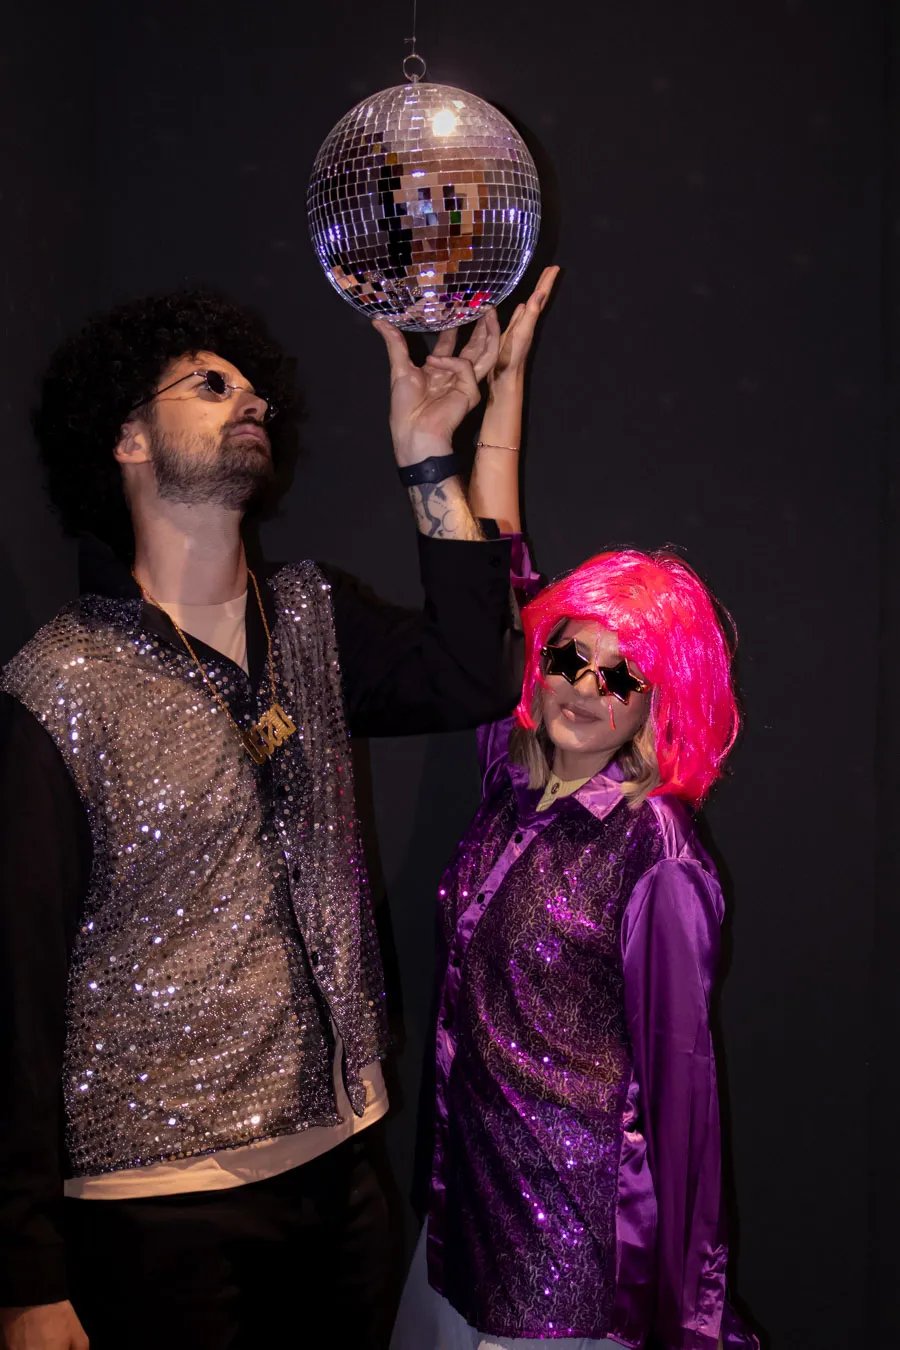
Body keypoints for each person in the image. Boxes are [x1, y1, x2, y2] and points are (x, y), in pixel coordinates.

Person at [0, 286, 529, 1349]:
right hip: (156, 1209)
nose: (250, 401)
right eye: (210, 383)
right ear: (127, 438)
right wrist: (24, 1273)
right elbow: (10, 990)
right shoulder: (60, 683)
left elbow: (476, 674)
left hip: (345, 1178)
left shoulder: (314, 617)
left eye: (252, 387)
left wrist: (428, 456)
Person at [391, 271, 759, 1349]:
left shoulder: (658, 854)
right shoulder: (508, 780)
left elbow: (684, 1109)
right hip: (458, 1215)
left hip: (564, 1266)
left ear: (657, 705)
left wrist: (689, 1316)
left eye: (620, 677)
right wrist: (505, 385)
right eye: (570, 657)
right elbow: (500, 568)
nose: (583, 689)